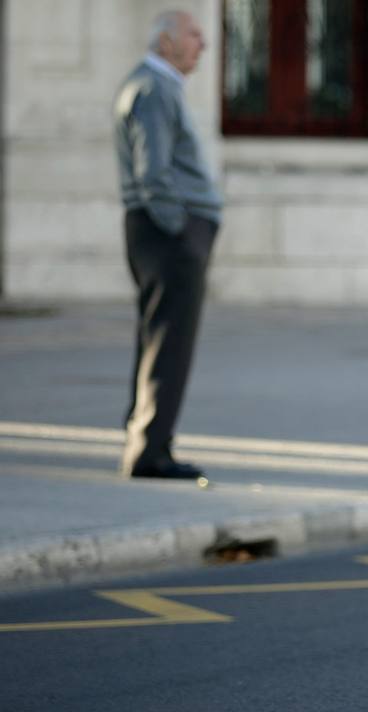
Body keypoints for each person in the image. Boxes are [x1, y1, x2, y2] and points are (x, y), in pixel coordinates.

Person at [113, 10, 222, 480]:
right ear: (165, 44)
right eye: (194, 34)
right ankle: (150, 452)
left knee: (160, 337)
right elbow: (152, 171)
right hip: (167, 236)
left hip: (162, 233)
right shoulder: (154, 89)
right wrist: (179, 228)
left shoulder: (156, 86)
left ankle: (148, 440)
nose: (204, 43)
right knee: (168, 342)